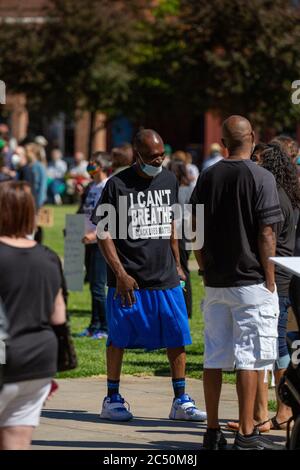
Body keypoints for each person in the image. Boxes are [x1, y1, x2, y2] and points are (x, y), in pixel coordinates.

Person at [92, 129, 207, 422]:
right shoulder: (116, 185)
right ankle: (112, 398)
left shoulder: (168, 179)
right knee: (118, 339)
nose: (158, 160)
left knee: (177, 336)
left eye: (161, 155)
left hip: (165, 276)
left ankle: (181, 400)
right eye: (152, 156)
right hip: (129, 279)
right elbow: (103, 234)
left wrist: (178, 263)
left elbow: (170, 223)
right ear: (137, 153)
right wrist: (119, 273)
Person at [190, 115, 284, 450]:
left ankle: (212, 430)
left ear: (224, 142)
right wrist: (270, 277)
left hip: (216, 281)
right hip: (252, 280)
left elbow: (194, 230)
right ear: (253, 138)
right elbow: (267, 233)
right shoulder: (262, 177)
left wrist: (203, 268)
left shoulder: (207, 176)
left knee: (214, 357)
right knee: (251, 358)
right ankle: (246, 432)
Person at [0, 181, 66, 450]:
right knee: (17, 439)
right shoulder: (49, 257)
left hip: (5, 354)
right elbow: (58, 315)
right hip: (38, 361)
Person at [78, 152, 111, 339]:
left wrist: (95, 234)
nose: (90, 165)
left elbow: (109, 215)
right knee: (92, 285)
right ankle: (94, 325)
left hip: (99, 240)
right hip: (88, 240)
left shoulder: (107, 186)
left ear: (103, 166)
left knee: (99, 286)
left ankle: (104, 327)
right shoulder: (92, 186)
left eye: (94, 163)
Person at [168, 159, 193, 318]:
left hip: (178, 233)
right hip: (188, 233)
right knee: (184, 270)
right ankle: (185, 306)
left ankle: (184, 305)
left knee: (181, 271)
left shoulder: (175, 189)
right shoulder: (190, 189)